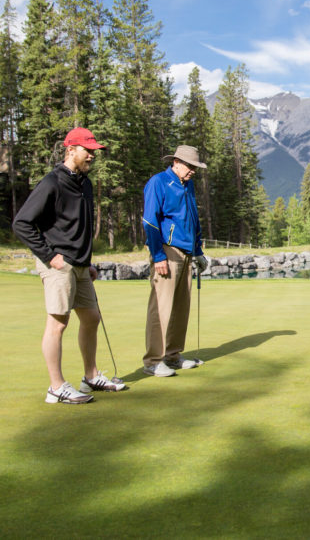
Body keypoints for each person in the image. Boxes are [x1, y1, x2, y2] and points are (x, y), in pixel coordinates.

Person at [13, 127, 128, 404]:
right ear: (71, 150)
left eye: (94, 151)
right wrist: (50, 256)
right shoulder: (52, 182)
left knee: (91, 317)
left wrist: (86, 262)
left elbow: (80, 227)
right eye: (88, 150)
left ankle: (90, 376)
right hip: (58, 264)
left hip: (80, 265)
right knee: (58, 323)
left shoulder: (85, 183)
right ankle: (56, 387)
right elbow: (22, 223)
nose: (92, 156)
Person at [141, 145, 210, 377]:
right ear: (177, 162)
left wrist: (198, 249)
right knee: (161, 307)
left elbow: (193, 219)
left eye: (195, 167)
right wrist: (158, 255)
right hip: (167, 251)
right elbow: (150, 222)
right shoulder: (158, 182)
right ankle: (153, 360)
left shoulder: (187, 184)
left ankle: (172, 356)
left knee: (181, 307)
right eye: (190, 166)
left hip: (188, 251)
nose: (193, 171)